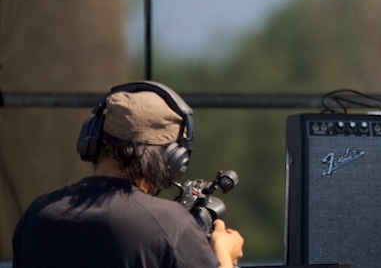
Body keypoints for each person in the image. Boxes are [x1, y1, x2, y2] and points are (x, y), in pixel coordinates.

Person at [13, 81, 245, 268]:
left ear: (91, 140)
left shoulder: (37, 215)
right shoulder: (170, 224)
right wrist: (224, 254)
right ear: (172, 160)